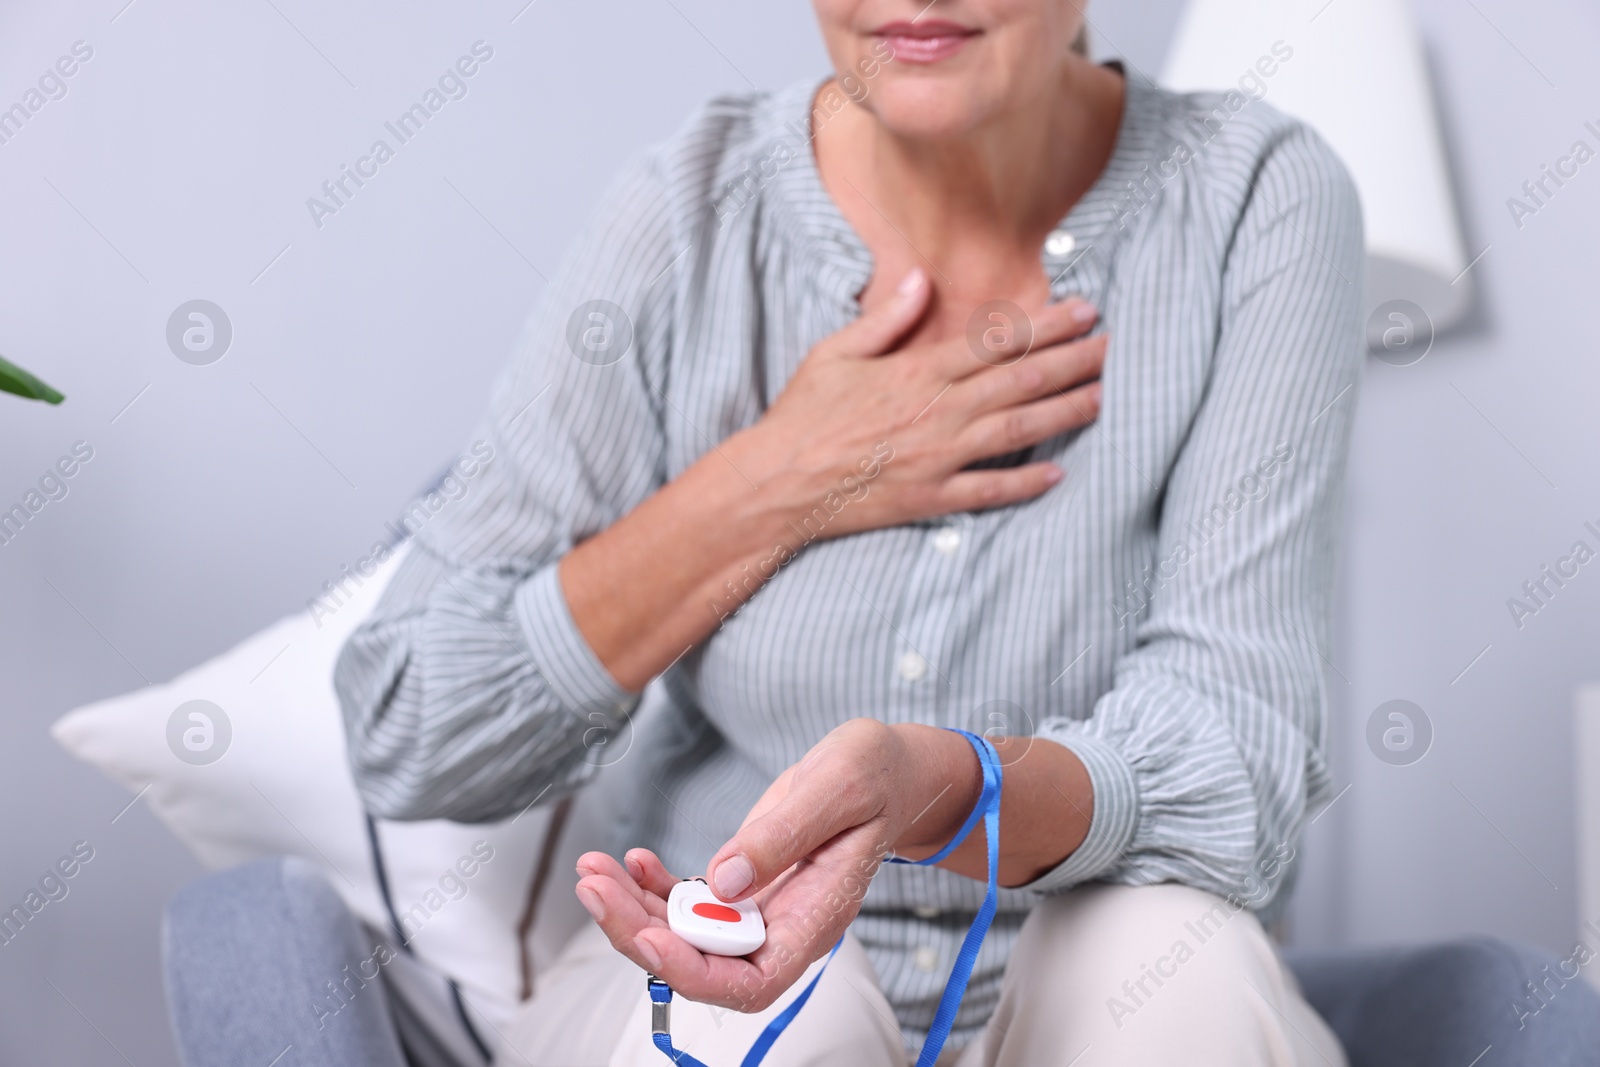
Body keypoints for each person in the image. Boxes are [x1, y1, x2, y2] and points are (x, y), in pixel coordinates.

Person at [261, 2, 1364, 1064]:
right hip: (721, 955)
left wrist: (940, 782)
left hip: (1091, 983)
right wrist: (779, 478)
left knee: (1178, 961)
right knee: (769, 1017)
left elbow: (1238, 750)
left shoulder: (1253, 198)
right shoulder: (686, 218)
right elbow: (410, 719)